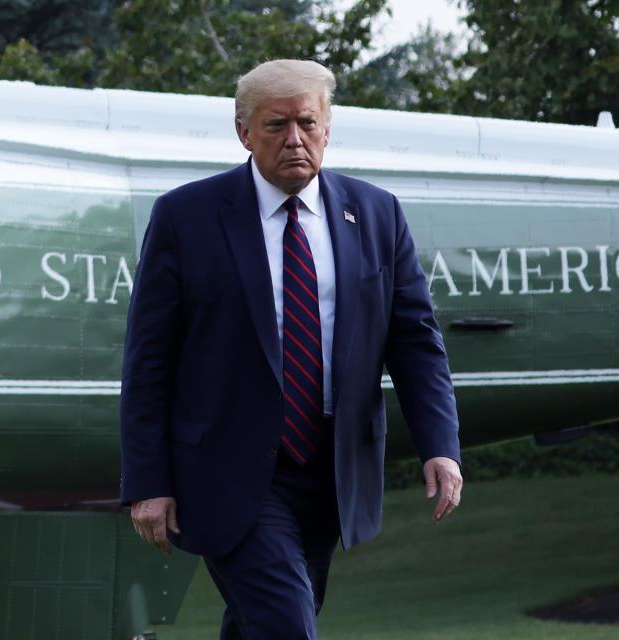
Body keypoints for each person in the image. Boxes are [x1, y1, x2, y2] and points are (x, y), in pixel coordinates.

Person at [119, 59, 462, 639]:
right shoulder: (186, 217)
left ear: (328, 128)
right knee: (285, 624)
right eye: (276, 126)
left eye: (307, 123)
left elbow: (415, 343)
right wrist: (147, 481)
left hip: (332, 469)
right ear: (244, 133)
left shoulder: (376, 214)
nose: (295, 140)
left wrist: (440, 444)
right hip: (225, 470)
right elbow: (148, 360)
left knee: (261, 624)